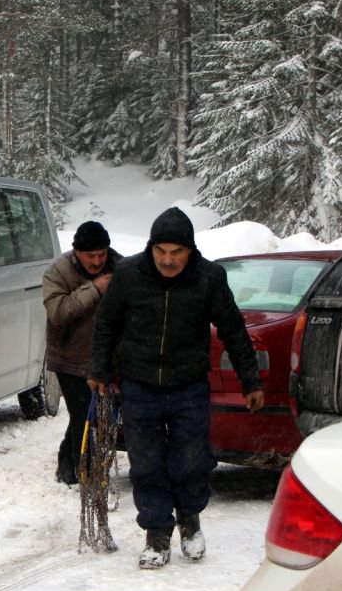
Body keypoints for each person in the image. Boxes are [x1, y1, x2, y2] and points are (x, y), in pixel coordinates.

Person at [88, 207, 264, 569]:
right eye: (161, 251)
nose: (168, 260)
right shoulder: (128, 275)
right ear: (151, 248)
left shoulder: (209, 278)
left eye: (177, 252)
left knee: (190, 460)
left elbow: (233, 329)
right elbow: (106, 325)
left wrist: (250, 381)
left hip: (188, 386)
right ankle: (156, 533)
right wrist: (100, 370)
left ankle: (189, 519)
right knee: (147, 464)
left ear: (190, 251)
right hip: (140, 386)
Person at [43, 220, 122, 486]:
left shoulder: (119, 267)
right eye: (91, 256)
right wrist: (96, 288)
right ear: (77, 252)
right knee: (82, 415)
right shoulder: (58, 272)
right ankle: (86, 473)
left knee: (97, 414)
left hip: (105, 360)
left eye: (102, 254)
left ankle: (68, 464)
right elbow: (58, 312)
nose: (98, 261)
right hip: (69, 357)